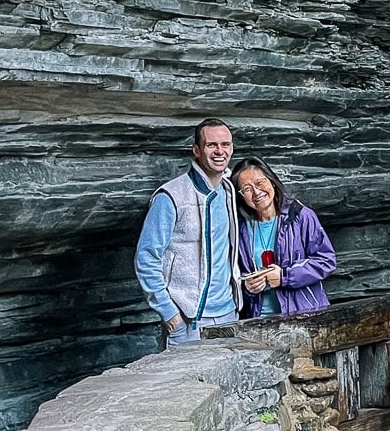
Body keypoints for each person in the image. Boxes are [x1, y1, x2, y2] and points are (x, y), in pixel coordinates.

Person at [135, 117, 242, 345]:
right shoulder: (171, 196)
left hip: (228, 313)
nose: (219, 151)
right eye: (211, 145)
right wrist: (170, 315)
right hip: (187, 320)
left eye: (225, 145)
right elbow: (146, 257)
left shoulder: (228, 190)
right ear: (196, 150)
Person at [232, 157, 336, 318]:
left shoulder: (300, 216)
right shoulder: (239, 229)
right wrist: (246, 288)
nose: (256, 192)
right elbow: (232, 276)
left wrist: (284, 277)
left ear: (272, 181)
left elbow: (326, 261)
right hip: (258, 320)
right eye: (246, 189)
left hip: (303, 316)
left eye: (260, 183)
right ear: (240, 195)